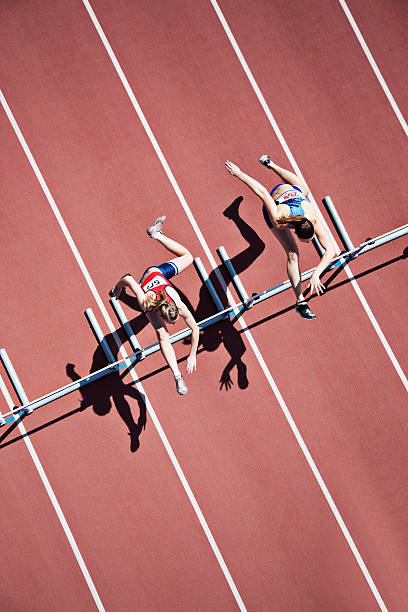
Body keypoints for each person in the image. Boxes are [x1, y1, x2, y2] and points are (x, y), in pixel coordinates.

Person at [225, 156, 336, 319]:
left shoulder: (311, 217)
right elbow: (262, 192)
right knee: (292, 254)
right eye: (308, 240)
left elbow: (331, 250)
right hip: (276, 202)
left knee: (304, 189)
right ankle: (300, 302)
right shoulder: (279, 218)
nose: (311, 242)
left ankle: (271, 164)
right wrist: (239, 174)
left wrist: (316, 274)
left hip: (295, 194)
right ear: (295, 232)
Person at [110, 216, 199, 394]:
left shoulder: (178, 305)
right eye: (171, 322)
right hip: (149, 276)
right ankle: (177, 375)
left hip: (161, 278)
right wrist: (116, 289)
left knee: (189, 258)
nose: (174, 324)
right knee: (161, 334)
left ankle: (156, 234)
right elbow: (128, 278)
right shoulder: (146, 303)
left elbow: (195, 328)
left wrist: (192, 354)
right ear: (162, 314)